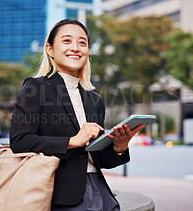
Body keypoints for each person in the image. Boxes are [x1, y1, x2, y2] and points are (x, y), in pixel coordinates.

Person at [9, 19, 144, 210]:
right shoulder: (36, 87)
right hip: (56, 194)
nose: (76, 48)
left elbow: (97, 159)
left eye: (82, 43)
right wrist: (72, 141)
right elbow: (19, 141)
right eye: (66, 41)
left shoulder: (94, 99)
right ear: (50, 49)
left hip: (99, 191)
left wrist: (119, 147)